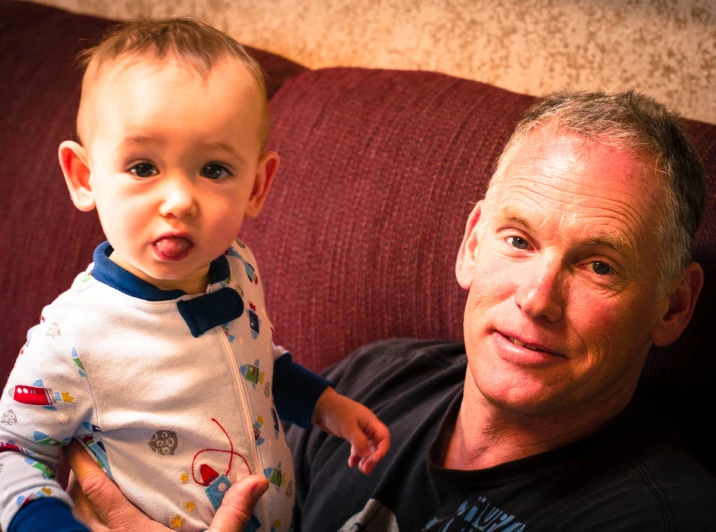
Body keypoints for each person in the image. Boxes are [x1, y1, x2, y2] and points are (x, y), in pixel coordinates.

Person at [55, 89, 716, 531]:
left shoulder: (658, 516)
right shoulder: (376, 380)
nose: (537, 299)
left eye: (599, 265)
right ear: (470, 245)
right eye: (518, 241)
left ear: (673, 306)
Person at [0, 18, 389, 532]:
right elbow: (11, 450)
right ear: (85, 178)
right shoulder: (74, 335)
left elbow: (252, 364)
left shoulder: (238, 265)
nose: (178, 201)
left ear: (257, 187)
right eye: (143, 167)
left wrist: (323, 404)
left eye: (214, 170)